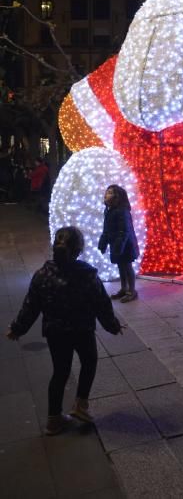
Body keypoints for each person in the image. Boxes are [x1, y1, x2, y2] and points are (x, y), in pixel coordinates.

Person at [6, 226, 123, 436]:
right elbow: (102, 304)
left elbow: (30, 306)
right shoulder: (87, 275)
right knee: (89, 362)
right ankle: (80, 404)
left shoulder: (42, 275)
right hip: (82, 330)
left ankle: (53, 420)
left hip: (55, 333)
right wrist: (112, 325)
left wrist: (17, 328)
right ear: (78, 250)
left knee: (60, 372)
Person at [98, 184, 140, 302]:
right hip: (116, 244)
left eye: (110, 192)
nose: (107, 194)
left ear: (117, 197)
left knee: (127, 266)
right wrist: (103, 243)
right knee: (121, 267)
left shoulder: (122, 211)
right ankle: (123, 288)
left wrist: (119, 246)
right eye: (107, 191)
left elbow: (124, 231)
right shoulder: (109, 210)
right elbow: (106, 229)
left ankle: (131, 291)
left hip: (125, 245)